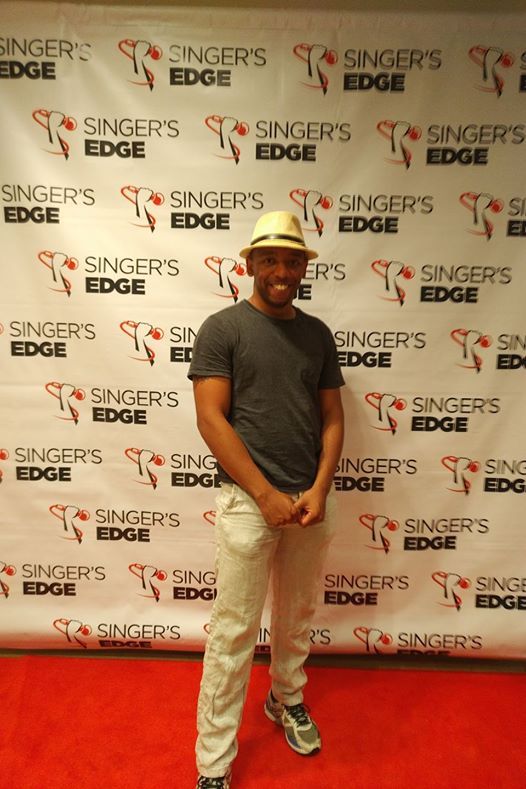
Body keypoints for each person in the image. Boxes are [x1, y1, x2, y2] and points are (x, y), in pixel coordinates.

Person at [188, 210, 345, 789]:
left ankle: (286, 699)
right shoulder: (222, 328)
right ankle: (213, 763)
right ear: (251, 263)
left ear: (304, 267)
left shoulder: (317, 334)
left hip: (310, 504)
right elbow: (211, 419)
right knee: (233, 632)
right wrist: (264, 494)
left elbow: (333, 417)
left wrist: (319, 488)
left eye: (292, 260)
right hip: (248, 505)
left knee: (297, 616)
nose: (282, 271)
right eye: (271, 259)